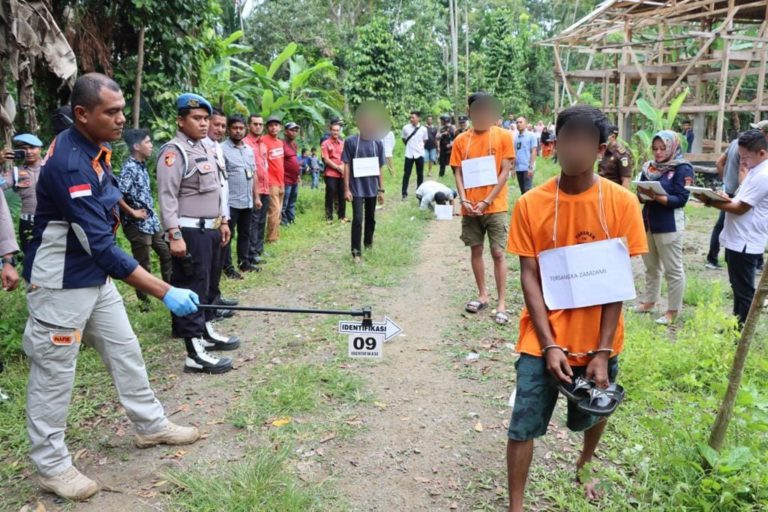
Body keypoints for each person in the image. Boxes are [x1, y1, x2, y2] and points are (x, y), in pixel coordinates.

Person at [22, 74, 201, 501]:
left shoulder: (95, 149)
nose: (122, 119)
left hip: (94, 280)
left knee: (126, 349)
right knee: (54, 372)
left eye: (122, 109)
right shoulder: (69, 165)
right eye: (112, 112)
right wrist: (164, 290)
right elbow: (101, 246)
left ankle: (149, 425)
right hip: (62, 286)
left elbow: (106, 212)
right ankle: (51, 466)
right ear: (83, 114)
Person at [506, 105, 648, 511]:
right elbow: (529, 275)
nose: (574, 148)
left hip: (599, 338)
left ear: (602, 149)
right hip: (541, 336)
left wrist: (602, 352)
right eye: (568, 138)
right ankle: (516, 505)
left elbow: (615, 285)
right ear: (555, 144)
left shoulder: (620, 204)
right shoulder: (531, 204)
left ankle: (585, 464)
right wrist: (549, 344)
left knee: (596, 410)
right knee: (522, 424)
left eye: (585, 140)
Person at [157, 93, 240, 375]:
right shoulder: (174, 152)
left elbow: (218, 189)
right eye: (197, 118)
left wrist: (224, 222)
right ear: (181, 121)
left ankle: (205, 332)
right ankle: (194, 353)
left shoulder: (206, 148)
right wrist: (174, 234)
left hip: (212, 229)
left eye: (206, 118)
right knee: (191, 288)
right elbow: (167, 196)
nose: (204, 124)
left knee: (205, 287)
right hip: (190, 231)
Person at [450, 93, 515, 325]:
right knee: (475, 250)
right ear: (470, 112)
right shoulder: (461, 140)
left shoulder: (503, 136)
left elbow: (505, 172)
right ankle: (482, 295)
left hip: (495, 206)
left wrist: (487, 200)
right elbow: (457, 171)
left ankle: (502, 303)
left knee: (498, 252)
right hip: (470, 207)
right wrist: (464, 199)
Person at [695, 129, 768, 327]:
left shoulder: (763, 174)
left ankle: (741, 331)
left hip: (746, 241)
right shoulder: (755, 171)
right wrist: (723, 198)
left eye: (746, 157)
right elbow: (739, 200)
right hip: (738, 239)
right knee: (738, 287)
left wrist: (710, 201)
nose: (743, 162)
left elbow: (740, 208)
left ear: (762, 153)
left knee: (744, 291)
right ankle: (736, 326)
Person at [634, 131, 694, 325]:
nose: (658, 153)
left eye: (663, 148)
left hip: (669, 226)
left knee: (673, 270)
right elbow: (639, 194)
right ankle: (649, 302)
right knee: (651, 267)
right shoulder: (649, 168)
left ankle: (672, 311)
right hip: (649, 223)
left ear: (672, 147)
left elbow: (681, 199)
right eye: (655, 149)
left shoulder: (683, 168)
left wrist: (656, 196)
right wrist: (643, 193)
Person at [117, 129, 173, 308]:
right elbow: (116, 193)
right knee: (143, 264)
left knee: (167, 253)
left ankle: (170, 290)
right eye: (147, 142)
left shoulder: (141, 165)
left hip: (151, 221)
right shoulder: (129, 168)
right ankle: (144, 303)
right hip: (137, 224)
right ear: (136, 146)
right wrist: (131, 212)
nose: (151, 146)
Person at [343, 105, 386, 263]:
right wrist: (346, 189)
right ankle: (356, 252)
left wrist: (381, 190)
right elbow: (346, 165)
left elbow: (380, 168)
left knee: (371, 218)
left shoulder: (377, 144)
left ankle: (368, 244)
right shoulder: (351, 142)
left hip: (372, 189)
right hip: (356, 189)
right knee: (358, 219)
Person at [222, 114, 259, 277]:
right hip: (230, 202)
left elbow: (254, 173)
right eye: (235, 128)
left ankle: (244, 263)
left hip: (247, 200)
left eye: (241, 128)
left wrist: (256, 197)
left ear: (245, 130)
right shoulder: (221, 149)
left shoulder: (249, 150)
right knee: (228, 236)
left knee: (245, 233)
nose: (238, 131)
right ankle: (227, 268)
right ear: (229, 130)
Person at [2, 133, 44, 254]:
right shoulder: (16, 172)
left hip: (49, 221)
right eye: (25, 148)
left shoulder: (51, 167)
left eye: (32, 148)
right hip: (27, 224)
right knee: (30, 259)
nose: (29, 152)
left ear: (40, 149)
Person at [244, 114, 269, 266]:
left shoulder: (263, 144)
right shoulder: (246, 144)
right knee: (252, 221)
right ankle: (250, 252)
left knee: (261, 220)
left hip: (265, 187)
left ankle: (259, 248)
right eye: (255, 124)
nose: (258, 126)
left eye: (260, 124)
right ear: (249, 126)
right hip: (253, 189)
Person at [262, 115, 286, 243]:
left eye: (276, 125)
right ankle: (271, 238)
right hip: (270, 183)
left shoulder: (280, 142)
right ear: (267, 128)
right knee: (274, 211)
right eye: (271, 125)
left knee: (279, 210)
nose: (273, 127)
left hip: (281, 181)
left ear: (280, 127)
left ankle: (276, 234)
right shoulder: (263, 140)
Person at [321, 121, 347, 223]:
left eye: (337, 130)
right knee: (330, 194)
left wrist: (343, 167)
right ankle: (329, 217)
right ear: (330, 130)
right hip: (331, 173)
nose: (336, 132)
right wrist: (337, 167)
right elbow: (326, 159)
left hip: (342, 173)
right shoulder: (325, 143)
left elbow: (346, 157)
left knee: (342, 194)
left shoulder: (342, 143)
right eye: (334, 130)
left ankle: (342, 216)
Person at [401, 111, 429, 199]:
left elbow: (425, 140)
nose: (411, 119)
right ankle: (404, 193)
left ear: (418, 118)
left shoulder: (423, 129)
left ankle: (419, 192)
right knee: (406, 174)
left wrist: (420, 147)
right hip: (409, 154)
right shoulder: (405, 128)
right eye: (410, 117)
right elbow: (403, 138)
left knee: (420, 174)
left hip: (419, 154)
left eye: (413, 117)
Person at [282, 122, 301, 225]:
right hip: (286, 179)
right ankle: (283, 223)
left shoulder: (294, 145)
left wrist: (298, 175)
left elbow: (294, 161)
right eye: (292, 130)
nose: (294, 132)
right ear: (285, 131)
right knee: (284, 202)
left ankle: (291, 220)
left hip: (294, 179)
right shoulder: (281, 144)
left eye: (295, 130)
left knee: (292, 202)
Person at [513, 116, 538, 194]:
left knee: (527, 190)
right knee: (522, 190)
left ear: (526, 124)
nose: (518, 124)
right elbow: (514, 152)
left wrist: (531, 167)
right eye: (517, 122)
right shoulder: (515, 137)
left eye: (521, 122)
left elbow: (534, 151)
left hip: (527, 167)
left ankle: (530, 206)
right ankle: (524, 206)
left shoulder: (531, 136)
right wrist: (513, 168)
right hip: (518, 168)